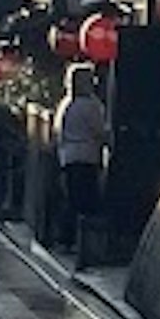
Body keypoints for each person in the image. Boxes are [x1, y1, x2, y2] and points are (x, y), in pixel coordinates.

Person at [52, 66, 113, 265]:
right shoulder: (90, 105)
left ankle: (65, 238)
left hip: (68, 156)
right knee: (86, 200)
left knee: (71, 199)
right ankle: (83, 243)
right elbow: (99, 130)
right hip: (87, 156)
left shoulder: (66, 104)